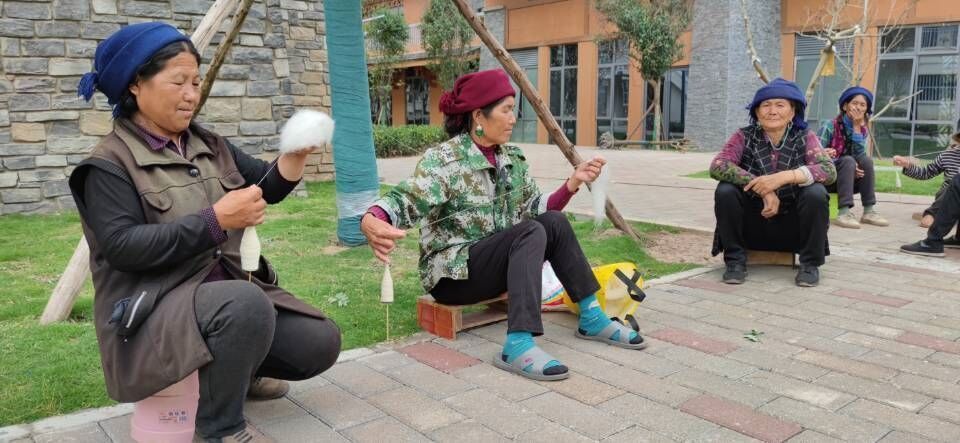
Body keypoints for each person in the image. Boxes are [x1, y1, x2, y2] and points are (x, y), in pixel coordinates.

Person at [67, 23, 340, 443]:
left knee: (319, 341)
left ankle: (237, 374)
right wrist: (216, 220)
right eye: (178, 82)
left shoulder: (207, 143)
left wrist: (295, 155)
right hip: (153, 315)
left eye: (195, 82)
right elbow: (124, 249)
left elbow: (264, 185)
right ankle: (218, 429)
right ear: (136, 85)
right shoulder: (107, 165)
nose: (191, 94)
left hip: (223, 303)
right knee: (245, 303)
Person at [360, 69, 645, 382]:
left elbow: (536, 208)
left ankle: (591, 316)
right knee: (530, 231)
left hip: (499, 265)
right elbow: (408, 197)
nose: (513, 118)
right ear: (478, 116)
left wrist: (573, 182)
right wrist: (373, 216)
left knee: (554, 222)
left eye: (514, 109)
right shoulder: (444, 160)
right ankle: (518, 344)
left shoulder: (512, 158)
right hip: (453, 277)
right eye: (506, 110)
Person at [710, 78, 837, 287]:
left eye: (780, 105)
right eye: (766, 105)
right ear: (757, 112)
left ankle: (809, 265)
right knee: (725, 190)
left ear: (792, 112)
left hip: (792, 227)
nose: (772, 111)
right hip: (754, 223)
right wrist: (764, 188)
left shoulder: (804, 136)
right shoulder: (744, 136)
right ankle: (735, 261)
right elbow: (718, 165)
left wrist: (785, 177)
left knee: (816, 193)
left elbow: (829, 170)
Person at [818, 86, 888, 229]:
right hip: (827, 179)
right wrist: (827, 154)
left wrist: (856, 126)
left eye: (862, 105)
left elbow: (859, 155)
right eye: (855, 103)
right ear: (845, 106)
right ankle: (844, 213)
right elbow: (814, 156)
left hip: (849, 182)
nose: (858, 108)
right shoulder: (830, 125)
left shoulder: (862, 130)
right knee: (848, 161)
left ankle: (868, 211)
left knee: (866, 160)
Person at [893, 129, 960, 229]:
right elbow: (925, 173)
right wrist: (907, 165)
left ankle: (942, 216)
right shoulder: (948, 155)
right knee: (956, 182)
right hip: (948, 199)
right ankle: (932, 214)